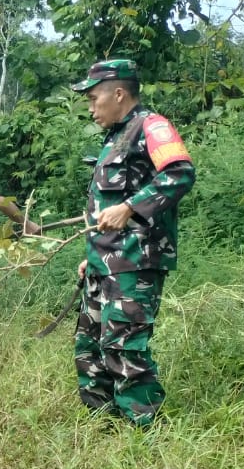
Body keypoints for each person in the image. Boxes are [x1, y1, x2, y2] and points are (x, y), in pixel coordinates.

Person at [71, 59, 196, 426]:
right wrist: (92, 256)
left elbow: (180, 172)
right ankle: (102, 425)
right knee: (89, 346)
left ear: (118, 93)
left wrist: (129, 208)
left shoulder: (151, 126)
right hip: (105, 262)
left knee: (124, 347)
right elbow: (105, 208)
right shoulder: (115, 137)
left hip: (135, 262)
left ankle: (143, 429)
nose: (91, 109)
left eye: (93, 99)